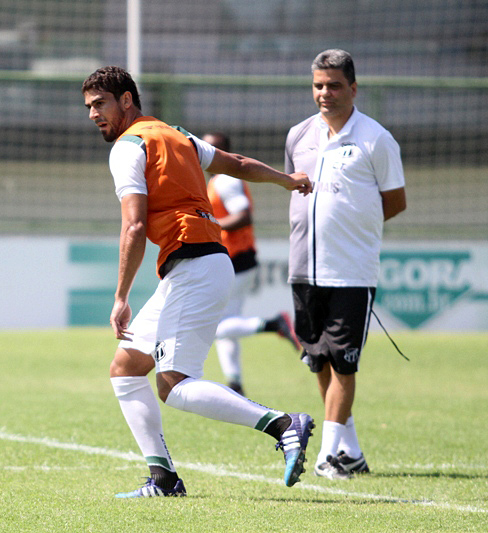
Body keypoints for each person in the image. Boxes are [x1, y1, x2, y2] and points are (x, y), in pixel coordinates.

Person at [82, 65, 315, 498]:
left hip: (195, 266)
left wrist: (121, 297)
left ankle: (283, 424)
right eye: (89, 107)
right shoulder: (179, 136)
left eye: (100, 104)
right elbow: (237, 163)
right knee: (126, 368)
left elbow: (134, 226)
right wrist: (286, 180)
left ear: (127, 100)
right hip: (198, 264)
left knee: (173, 384)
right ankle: (164, 479)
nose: (93, 114)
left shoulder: (128, 147)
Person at [285, 50, 406, 480]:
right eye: (318, 85)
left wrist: (354, 230)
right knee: (318, 360)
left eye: (334, 85)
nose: (325, 93)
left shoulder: (376, 139)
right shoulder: (298, 135)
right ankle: (349, 450)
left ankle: (328, 453)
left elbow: (395, 201)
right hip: (303, 267)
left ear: (353, 89)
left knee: (343, 361)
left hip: (351, 271)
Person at [203, 131, 301, 396]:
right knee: (228, 321)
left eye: (212, 148)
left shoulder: (225, 180)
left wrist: (209, 225)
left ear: (223, 152)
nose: (205, 153)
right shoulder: (218, 180)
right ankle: (235, 382)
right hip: (237, 258)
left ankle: (273, 324)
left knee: (212, 326)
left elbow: (243, 216)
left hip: (235, 258)